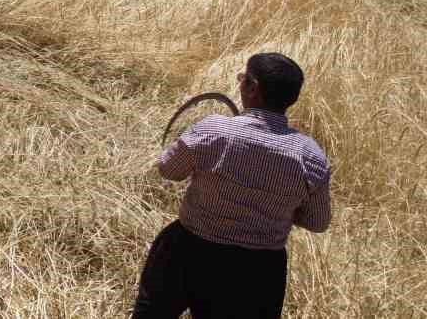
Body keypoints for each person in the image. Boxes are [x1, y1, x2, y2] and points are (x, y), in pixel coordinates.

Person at [131, 52, 333, 319]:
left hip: (189, 251)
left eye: (242, 79)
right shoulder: (311, 156)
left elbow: (169, 169)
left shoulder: (214, 130)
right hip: (258, 271)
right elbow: (318, 221)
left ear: (252, 87)